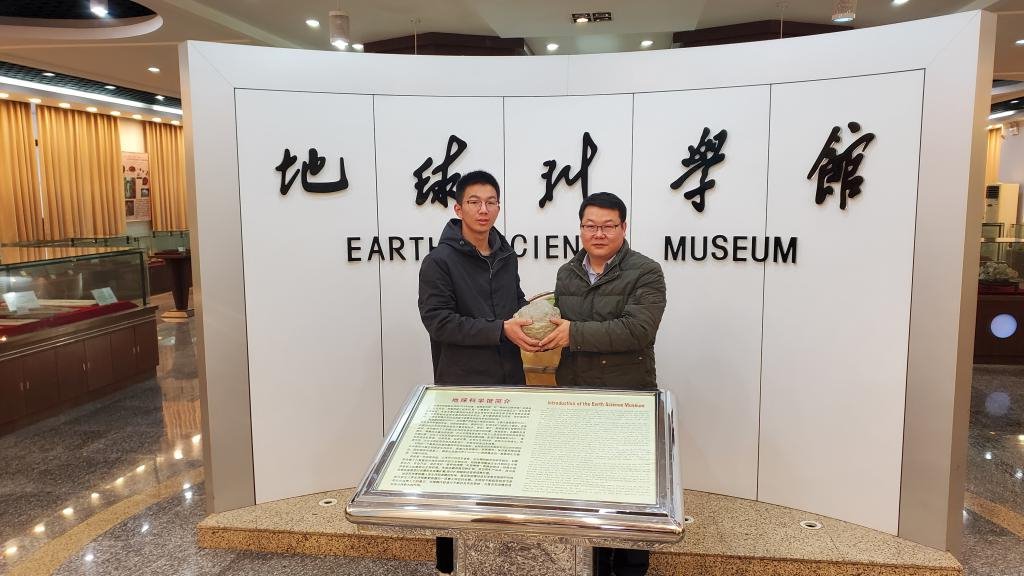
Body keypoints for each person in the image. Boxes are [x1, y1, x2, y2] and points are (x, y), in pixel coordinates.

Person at [538, 191, 666, 576]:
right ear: (580, 229)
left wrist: (573, 333)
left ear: (623, 228)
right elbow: (557, 323)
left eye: (608, 226)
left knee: (630, 501)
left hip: (626, 400)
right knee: (585, 496)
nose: (598, 233)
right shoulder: (567, 273)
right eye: (590, 225)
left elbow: (638, 330)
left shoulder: (646, 271)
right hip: (576, 399)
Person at [417, 169, 539, 573]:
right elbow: (439, 322)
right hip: (463, 389)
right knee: (458, 484)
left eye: (490, 202)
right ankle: (450, 566)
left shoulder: (506, 255)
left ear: (498, 207)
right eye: (474, 202)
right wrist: (499, 329)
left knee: (505, 478)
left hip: (510, 382)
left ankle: (498, 559)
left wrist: (535, 317)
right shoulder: (439, 261)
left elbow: (513, 304)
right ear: (458, 208)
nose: (483, 209)